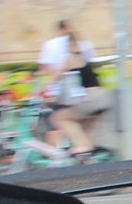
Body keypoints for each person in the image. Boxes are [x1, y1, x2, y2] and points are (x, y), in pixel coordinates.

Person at [37, 19, 110, 157]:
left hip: (91, 98)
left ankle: (84, 146)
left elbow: (54, 77)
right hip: (101, 97)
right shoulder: (82, 56)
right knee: (82, 128)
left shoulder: (69, 58)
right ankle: (89, 160)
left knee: (58, 118)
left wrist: (36, 92)